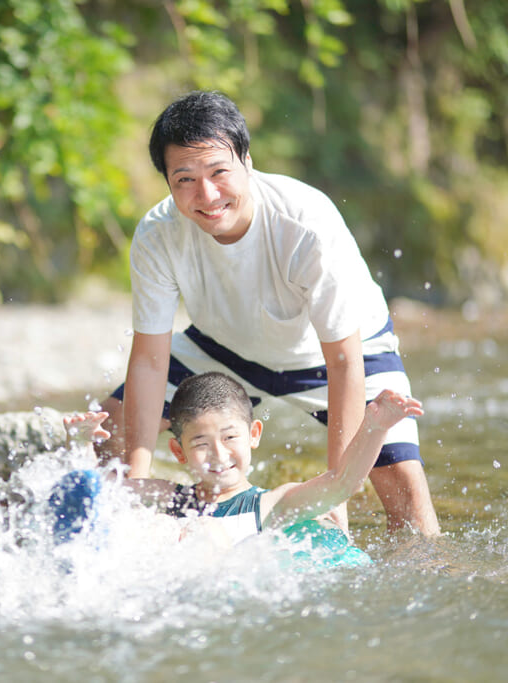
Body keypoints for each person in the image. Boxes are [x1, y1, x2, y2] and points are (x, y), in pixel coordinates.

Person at [96, 90, 439, 535]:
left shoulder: (306, 224)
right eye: (184, 179)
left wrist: (337, 498)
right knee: (110, 431)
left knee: (406, 497)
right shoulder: (157, 234)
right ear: (166, 181)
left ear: (248, 162)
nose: (207, 193)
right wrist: (135, 485)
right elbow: (148, 360)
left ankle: (421, 580)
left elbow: (344, 359)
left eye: (220, 171)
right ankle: (182, 515)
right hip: (225, 349)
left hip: (338, 350)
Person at [60, 372, 424, 560]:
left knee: (203, 533)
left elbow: (342, 483)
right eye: (201, 444)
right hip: (172, 586)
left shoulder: (271, 505)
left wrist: (375, 425)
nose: (218, 454)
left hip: (226, 588)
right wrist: (79, 446)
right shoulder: (170, 496)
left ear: (254, 435)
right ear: (179, 451)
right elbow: (99, 492)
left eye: (230, 438)